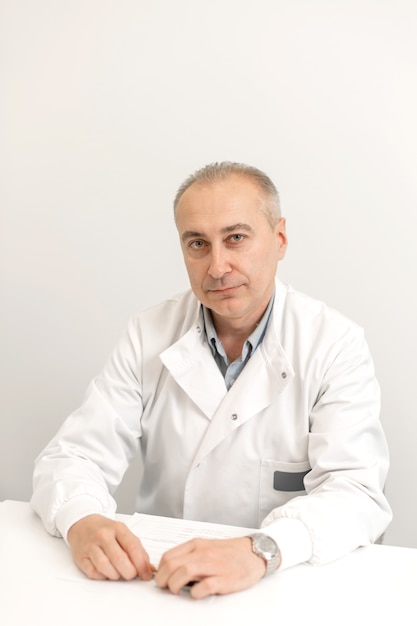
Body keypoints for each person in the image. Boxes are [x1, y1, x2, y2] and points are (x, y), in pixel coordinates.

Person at [31, 161, 392, 599]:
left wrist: (262, 550)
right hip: (164, 583)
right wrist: (81, 519)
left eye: (236, 238)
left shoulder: (334, 343)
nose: (217, 266)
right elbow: (74, 456)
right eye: (198, 244)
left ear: (279, 239)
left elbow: (357, 493)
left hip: (287, 584)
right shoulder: (150, 333)